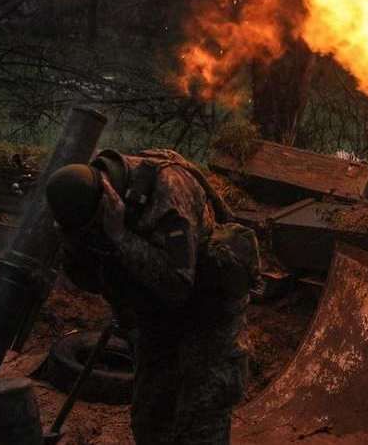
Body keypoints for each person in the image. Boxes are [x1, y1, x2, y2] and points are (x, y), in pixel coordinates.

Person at [45, 149, 258, 445]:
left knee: (200, 423)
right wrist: (75, 246)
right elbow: (88, 277)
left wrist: (120, 236)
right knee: (151, 420)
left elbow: (177, 284)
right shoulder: (81, 199)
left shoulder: (168, 191)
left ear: (108, 197)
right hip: (156, 317)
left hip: (207, 312)